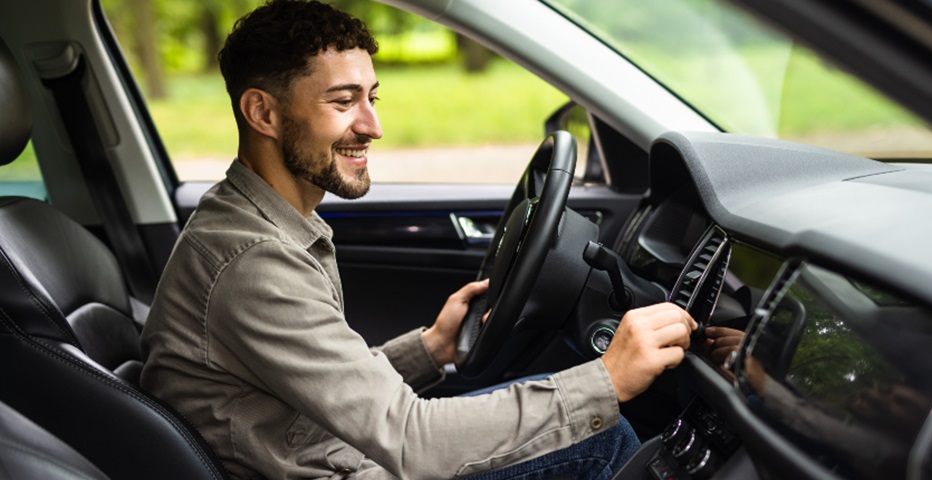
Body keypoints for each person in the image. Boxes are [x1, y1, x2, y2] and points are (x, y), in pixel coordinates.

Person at [139, 1, 697, 478]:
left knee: (562, 402)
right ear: (262, 111)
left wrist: (429, 349)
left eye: (371, 98)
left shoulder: (256, 221)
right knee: (602, 436)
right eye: (342, 102)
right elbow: (411, 439)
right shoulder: (254, 261)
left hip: (340, 452)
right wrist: (607, 378)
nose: (372, 126)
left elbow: (318, 392)